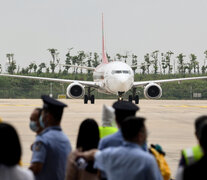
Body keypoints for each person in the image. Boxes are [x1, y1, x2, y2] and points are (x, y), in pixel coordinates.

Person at [77, 117, 163, 180]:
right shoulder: (148, 160)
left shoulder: (108, 154)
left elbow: (94, 156)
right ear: (140, 136)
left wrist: (80, 154)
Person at [29, 95, 72, 180]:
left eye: (43, 114)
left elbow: (36, 168)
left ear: (48, 117)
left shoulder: (43, 139)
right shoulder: (65, 139)